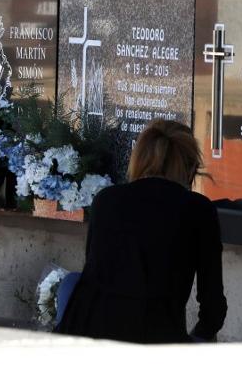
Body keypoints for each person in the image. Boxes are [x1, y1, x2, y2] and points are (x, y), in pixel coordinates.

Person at [56, 120, 226, 343]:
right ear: (191, 167)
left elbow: (94, 272)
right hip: (156, 336)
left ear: (137, 159)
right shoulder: (198, 210)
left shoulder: (106, 200)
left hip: (85, 330)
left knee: (71, 282)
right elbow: (212, 307)